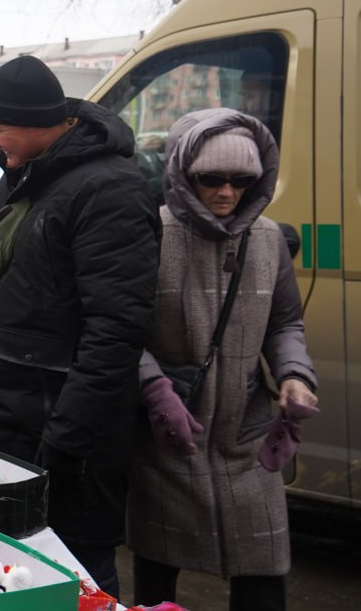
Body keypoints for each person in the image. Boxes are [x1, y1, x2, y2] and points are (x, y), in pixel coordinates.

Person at [0, 55, 160, 599]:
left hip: (65, 433)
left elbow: (115, 329)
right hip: (4, 416)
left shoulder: (108, 190)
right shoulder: (27, 175)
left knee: (77, 569)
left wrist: (67, 441)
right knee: (10, 570)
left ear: (38, 121)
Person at [128, 108, 317, 611]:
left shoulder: (268, 239)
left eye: (241, 181)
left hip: (246, 438)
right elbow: (121, 332)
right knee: (156, 582)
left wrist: (296, 376)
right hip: (169, 438)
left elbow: (284, 325)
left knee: (263, 576)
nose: (227, 193)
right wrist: (154, 390)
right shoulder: (151, 234)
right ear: (182, 172)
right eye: (210, 179)